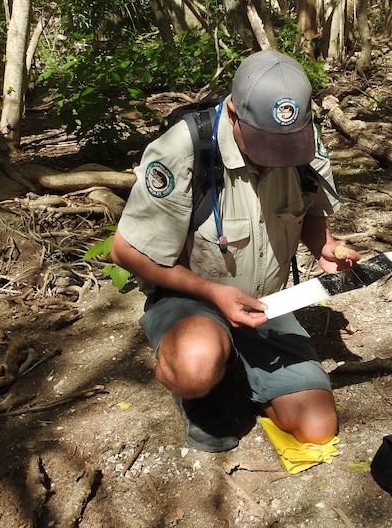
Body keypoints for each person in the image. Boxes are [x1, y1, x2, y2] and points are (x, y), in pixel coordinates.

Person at [110, 50, 361, 453]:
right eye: (265, 143)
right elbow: (125, 252)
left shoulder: (305, 143)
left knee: (316, 429)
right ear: (232, 113)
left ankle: (241, 370)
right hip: (193, 297)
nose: (277, 155)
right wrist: (213, 294)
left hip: (267, 305)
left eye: (288, 144)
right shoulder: (183, 149)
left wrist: (325, 247)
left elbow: (311, 210)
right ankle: (204, 376)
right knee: (196, 365)